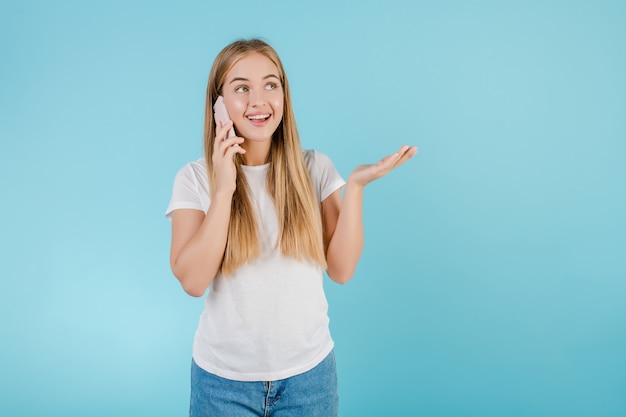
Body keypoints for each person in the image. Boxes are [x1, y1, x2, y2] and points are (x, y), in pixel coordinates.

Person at [165, 38, 417, 417]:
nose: (259, 100)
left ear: (284, 93)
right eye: (241, 88)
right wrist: (224, 189)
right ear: (217, 104)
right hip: (222, 383)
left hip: (309, 380)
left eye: (271, 84)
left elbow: (342, 270)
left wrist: (357, 187)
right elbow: (193, 281)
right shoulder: (195, 179)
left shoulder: (314, 169)